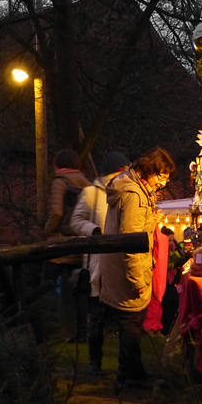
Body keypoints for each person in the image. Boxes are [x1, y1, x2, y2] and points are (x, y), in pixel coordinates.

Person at [98, 147, 174, 388]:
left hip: (121, 266)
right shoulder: (134, 195)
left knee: (130, 321)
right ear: (150, 170)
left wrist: (152, 219)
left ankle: (128, 371)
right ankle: (132, 375)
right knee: (131, 322)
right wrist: (137, 279)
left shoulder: (136, 190)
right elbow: (131, 240)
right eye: (161, 177)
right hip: (128, 269)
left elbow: (136, 227)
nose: (162, 184)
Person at [69, 151, 130, 375]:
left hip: (122, 263)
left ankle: (126, 365)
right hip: (99, 266)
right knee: (97, 316)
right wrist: (94, 231)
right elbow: (76, 221)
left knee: (125, 318)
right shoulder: (92, 194)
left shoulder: (129, 193)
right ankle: (95, 364)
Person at [42, 149, 92, 343]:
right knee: (79, 291)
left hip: (58, 244)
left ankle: (47, 330)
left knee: (46, 287)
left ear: (58, 165)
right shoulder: (87, 185)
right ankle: (82, 333)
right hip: (79, 243)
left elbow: (56, 212)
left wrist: (46, 231)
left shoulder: (59, 182)